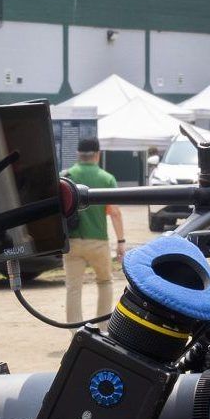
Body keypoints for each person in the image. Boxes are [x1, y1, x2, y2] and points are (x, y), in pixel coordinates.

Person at [61, 137, 126, 324]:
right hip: (98, 241)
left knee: (73, 287)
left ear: (78, 155)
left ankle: (75, 331)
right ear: (98, 154)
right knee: (105, 282)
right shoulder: (106, 178)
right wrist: (121, 241)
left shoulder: (66, 176)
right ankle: (102, 327)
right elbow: (114, 212)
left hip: (72, 242)